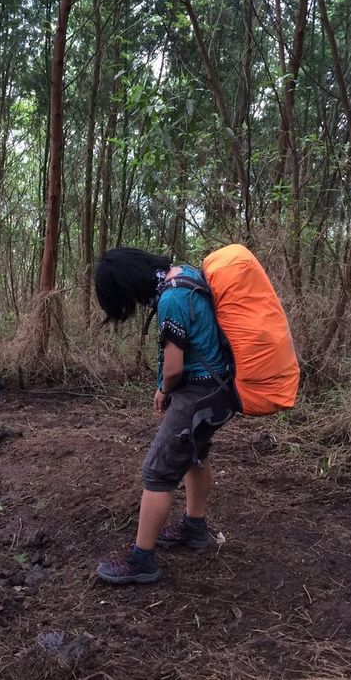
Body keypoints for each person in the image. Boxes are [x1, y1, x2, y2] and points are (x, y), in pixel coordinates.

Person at [93, 248, 235, 585]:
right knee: (194, 455)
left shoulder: (171, 300)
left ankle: (142, 560)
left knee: (157, 471)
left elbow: (172, 368)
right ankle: (194, 527)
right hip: (219, 390)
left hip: (196, 393)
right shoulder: (184, 274)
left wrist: (163, 390)